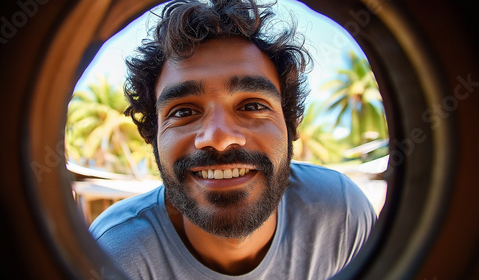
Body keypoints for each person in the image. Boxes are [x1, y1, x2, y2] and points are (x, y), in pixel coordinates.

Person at [89, 0, 377, 279]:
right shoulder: (114, 254)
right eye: (184, 111)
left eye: (252, 106)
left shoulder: (343, 216)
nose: (220, 138)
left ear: (290, 125)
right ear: (153, 136)